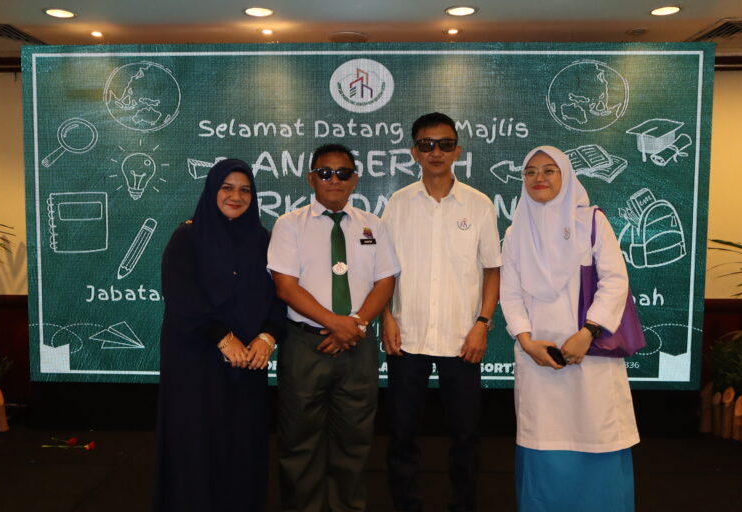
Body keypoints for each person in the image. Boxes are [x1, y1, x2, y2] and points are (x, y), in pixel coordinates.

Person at [500, 146, 640, 512]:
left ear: (566, 175)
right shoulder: (515, 232)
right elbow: (509, 294)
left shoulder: (591, 222)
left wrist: (587, 333)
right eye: (531, 171)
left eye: (549, 170)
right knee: (543, 441)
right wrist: (526, 341)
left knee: (596, 435)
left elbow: (615, 281)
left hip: (591, 356)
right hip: (538, 358)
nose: (539, 178)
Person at [268, 143, 400, 512]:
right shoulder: (288, 225)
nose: (334, 180)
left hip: (358, 346)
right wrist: (335, 324)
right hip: (304, 345)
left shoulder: (373, 225)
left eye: (343, 173)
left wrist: (355, 325)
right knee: (299, 443)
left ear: (355, 179)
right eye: (325, 173)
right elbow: (285, 287)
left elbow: (385, 281)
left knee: (354, 442)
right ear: (311, 178)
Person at [381, 112, 502, 512]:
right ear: (414, 151)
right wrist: (385, 317)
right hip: (407, 336)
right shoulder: (398, 204)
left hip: (462, 338)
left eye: (445, 144)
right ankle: (406, 504)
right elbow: (384, 270)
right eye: (427, 144)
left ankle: (463, 504)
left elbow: (492, 270)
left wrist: (482, 324)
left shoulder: (479, 205)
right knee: (401, 435)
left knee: (466, 436)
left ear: (458, 151)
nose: (436, 152)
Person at [153, 159, 284, 512]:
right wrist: (224, 338)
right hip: (196, 362)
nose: (236, 196)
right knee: (195, 443)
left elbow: (280, 295)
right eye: (227, 187)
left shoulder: (263, 240)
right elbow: (182, 296)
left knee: (243, 445)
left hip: (248, 363)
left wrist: (267, 337)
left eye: (245, 190)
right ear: (212, 190)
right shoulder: (187, 237)